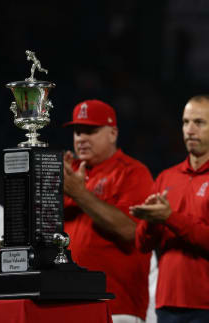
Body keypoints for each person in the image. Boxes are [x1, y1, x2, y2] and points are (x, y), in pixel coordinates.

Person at [132, 95, 209, 323]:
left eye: (199, 122)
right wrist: (151, 220)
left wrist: (169, 217)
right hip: (166, 302)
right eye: (185, 122)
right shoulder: (166, 177)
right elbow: (142, 244)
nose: (190, 129)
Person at [63, 99, 154, 323]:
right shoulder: (67, 173)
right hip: (66, 303)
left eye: (90, 131)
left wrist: (80, 194)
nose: (81, 138)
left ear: (113, 133)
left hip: (116, 306)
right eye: (77, 132)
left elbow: (132, 231)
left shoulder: (133, 172)